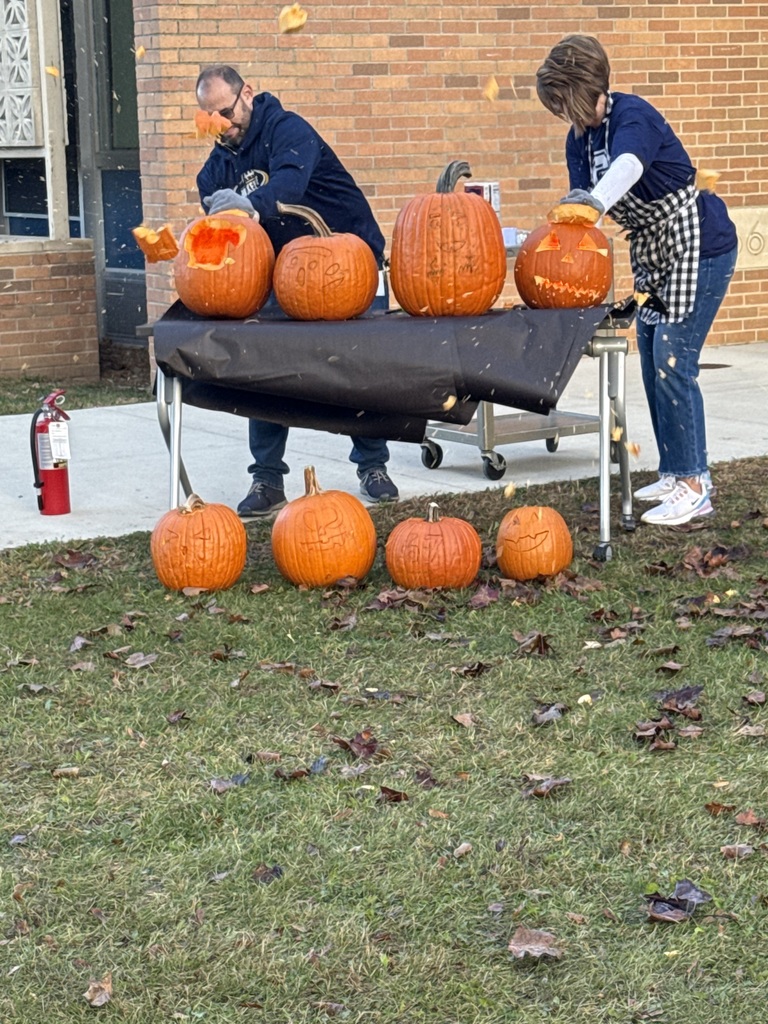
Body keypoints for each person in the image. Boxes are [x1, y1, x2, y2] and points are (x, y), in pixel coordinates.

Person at [536, 35, 738, 527]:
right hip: (653, 248)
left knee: (674, 359)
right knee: (649, 353)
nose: (565, 114)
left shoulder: (633, 116)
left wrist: (596, 204)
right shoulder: (579, 139)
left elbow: (628, 167)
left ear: (585, 87)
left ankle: (695, 485)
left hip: (701, 243)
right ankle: (673, 473)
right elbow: (580, 195)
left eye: (565, 102)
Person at [195, 65, 399, 518]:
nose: (222, 126)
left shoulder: (288, 129)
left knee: (356, 370)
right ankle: (267, 479)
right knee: (266, 371)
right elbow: (214, 206)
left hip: (348, 261)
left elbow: (289, 185)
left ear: (247, 93)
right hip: (283, 273)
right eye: (210, 119)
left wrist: (247, 206)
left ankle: (374, 466)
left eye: (226, 112)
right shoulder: (218, 164)